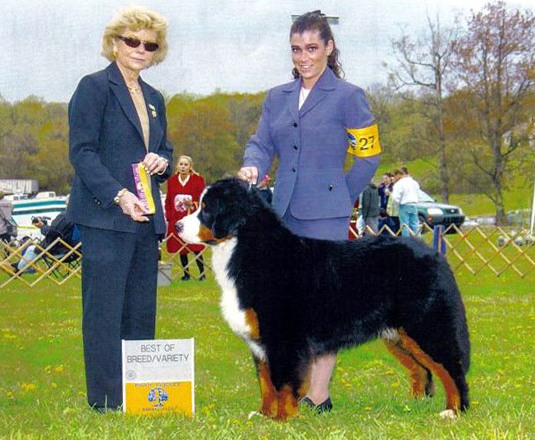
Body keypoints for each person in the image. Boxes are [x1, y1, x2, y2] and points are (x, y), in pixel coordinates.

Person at [238, 10, 381, 413]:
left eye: (312, 48)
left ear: (329, 48)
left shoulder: (349, 96)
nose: (304, 57)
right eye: (297, 49)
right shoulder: (276, 97)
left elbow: (368, 158)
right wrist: (253, 164)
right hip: (282, 215)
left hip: (326, 217)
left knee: (323, 307)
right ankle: (293, 386)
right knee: (286, 307)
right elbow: (261, 143)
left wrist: (340, 195)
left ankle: (319, 394)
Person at [66, 6, 172, 412]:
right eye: (133, 41)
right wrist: (118, 195)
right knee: (104, 313)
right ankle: (107, 401)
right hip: (106, 216)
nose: (141, 49)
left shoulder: (155, 99)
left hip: (145, 219)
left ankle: (140, 394)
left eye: (150, 44)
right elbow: (83, 152)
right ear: (114, 43)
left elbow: (162, 148)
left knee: (140, 310)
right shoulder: (93, 88)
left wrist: (161, 160)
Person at [164, 155, 206, 281]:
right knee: (181, 247)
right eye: (181, 164)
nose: (183, 167)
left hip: (191, 219)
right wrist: (170, 217)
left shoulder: (198, 180)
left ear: (190, 167)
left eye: (185, 165)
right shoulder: (172, 181)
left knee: (195, 247)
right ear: (177, 166)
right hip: (177, 220)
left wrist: (193, 205)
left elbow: (202, 200)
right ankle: (186, 274)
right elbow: (169, 201)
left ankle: (202, 273)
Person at [14, 213, 80, 274]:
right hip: (77, 252)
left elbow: (52, 233)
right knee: (39, 251)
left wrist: (42, 226)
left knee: (32, 249)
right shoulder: (83, 218)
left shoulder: (65, 216)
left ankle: (18, 270)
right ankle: (19, 266)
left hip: (62, 252)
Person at [391, 168, 420, 236]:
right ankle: (418, 241)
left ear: (398, 175)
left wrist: (397, 204)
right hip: (414, 205)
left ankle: (406, 242)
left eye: (394, 176)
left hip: (404, 206)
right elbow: (418, 193)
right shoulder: (414, 183)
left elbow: (395, 198)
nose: (394, 178)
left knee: (405, 226)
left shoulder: (399, 184)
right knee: (415, 225)